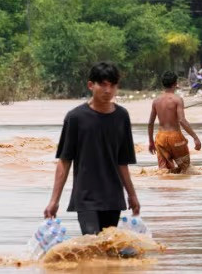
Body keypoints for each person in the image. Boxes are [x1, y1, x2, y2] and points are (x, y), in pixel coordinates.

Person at [44, 62, 140, 235]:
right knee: (91, 241)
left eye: (112, 85)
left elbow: (122, 162)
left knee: (107, 248)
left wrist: (132, 195)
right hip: (86, 196)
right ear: (91, 85)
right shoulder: (76, 118)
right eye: (102, 84)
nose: (108, 90)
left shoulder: (121, 116)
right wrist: (54, 200)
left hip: (113, 197)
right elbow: (64, 161)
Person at [148, 71, 201, 173]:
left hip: (161, 138)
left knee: (163, 171)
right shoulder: (177, 100)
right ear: (175, 84)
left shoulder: (156, 101)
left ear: (163, 84)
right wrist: (195, 137)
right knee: (186, 170)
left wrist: (151, 141)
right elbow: (182, 120)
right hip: (175, 137)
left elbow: (150, 123)